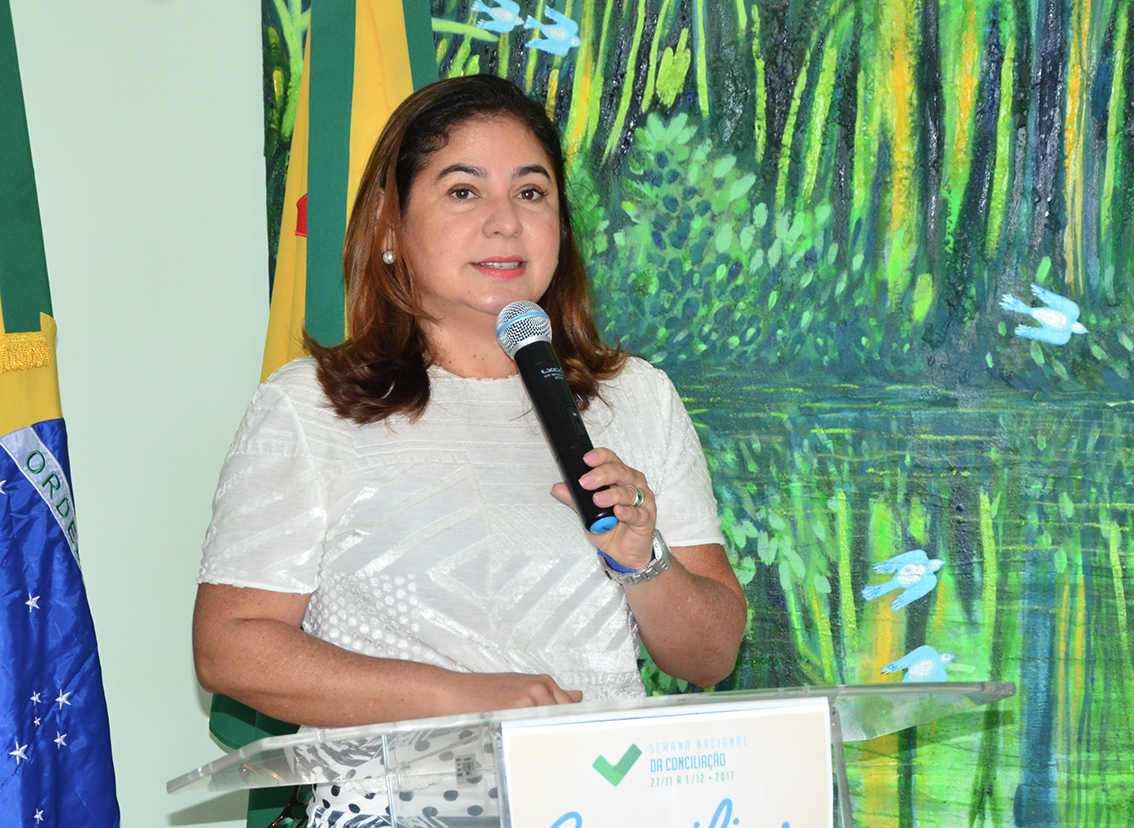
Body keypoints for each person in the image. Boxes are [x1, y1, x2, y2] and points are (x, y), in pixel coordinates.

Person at [192, 74, 746, 824]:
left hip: (607, 800)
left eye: (531, 193)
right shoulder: (314, 404)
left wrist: (642, 558)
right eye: (463, 191)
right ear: (390, 227)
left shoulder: (636, 397)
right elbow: (231, 648)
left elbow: (709, 656)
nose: (505, 223)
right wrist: (464, 699)